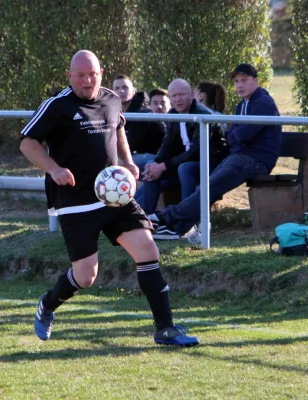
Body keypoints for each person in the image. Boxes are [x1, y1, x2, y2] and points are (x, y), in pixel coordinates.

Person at [20, 50, 198, 347]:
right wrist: (53, 168)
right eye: (80, 75)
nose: (87, 81)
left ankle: (165, 329)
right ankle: (48, 304)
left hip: (114, 194)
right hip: (76, 201)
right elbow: (27, 142)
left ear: (101, 72)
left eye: (92, 74)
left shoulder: (112, 99)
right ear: (69, 75)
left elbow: (119, 130)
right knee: (86, 276)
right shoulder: (56, 106)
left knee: (147, 249)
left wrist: (128, 163)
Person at [150, 63, 282, 240]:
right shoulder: (242, 105)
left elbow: (243, 134)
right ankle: (178, 228)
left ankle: (167, 218)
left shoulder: (263, 102)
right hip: (240, 157)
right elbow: (233, 135)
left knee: (209, 187)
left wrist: (235, 136)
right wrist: (236, 136)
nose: (239, 85)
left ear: (255, 81)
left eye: (244, 80)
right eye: (236, 81)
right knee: (207, 187)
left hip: (255, 161)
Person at [135, 78, 228, 215]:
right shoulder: (173, 114)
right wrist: (156, 163)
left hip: (213, 164)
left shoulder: (204, 115)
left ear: (191, 94)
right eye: (174, 95)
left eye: (182, 94)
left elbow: (196, 151)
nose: (178, 99)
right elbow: (167, 144)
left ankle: (185, 219)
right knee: (151, 166)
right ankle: (145, 218)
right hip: (185, 162)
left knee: (186, 168)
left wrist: (164, 166)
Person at [112, 75, 166, 175]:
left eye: (125, 87)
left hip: (155, 158)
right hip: (139, 156)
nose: (121, 91)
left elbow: (129, 145)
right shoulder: (115, 111)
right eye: (117, 88)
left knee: (121, 164)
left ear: (133, 90)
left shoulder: (142, 113)